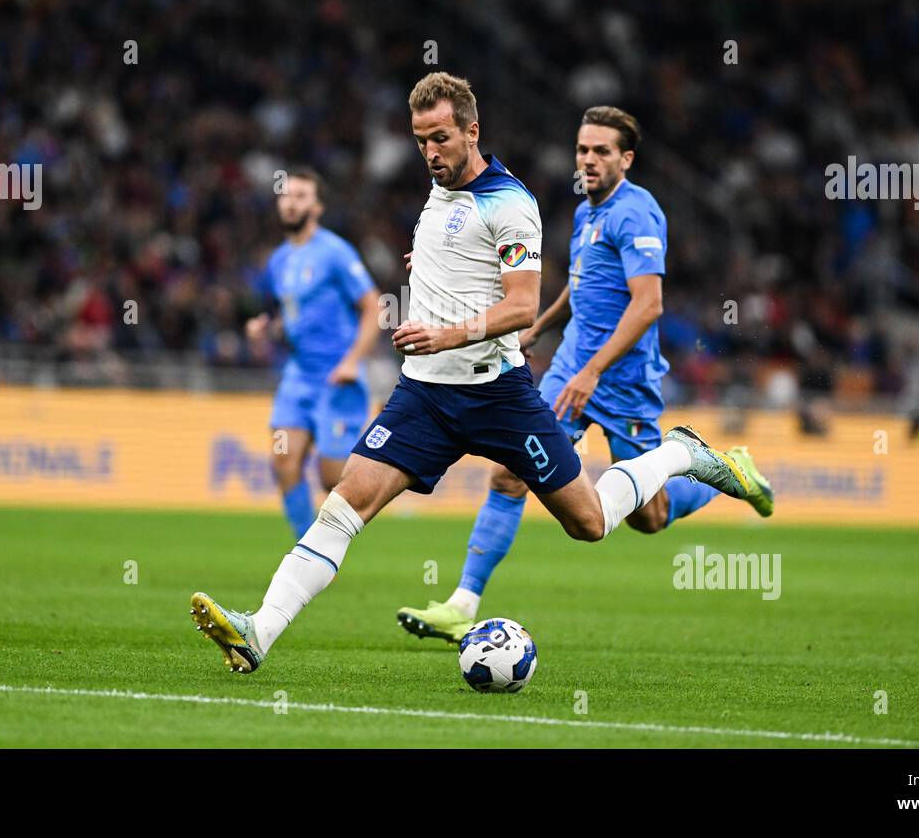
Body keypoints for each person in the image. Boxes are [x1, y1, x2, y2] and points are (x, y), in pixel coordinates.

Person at [192, 73, 770, 673]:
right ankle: (258, 629)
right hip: (424, 395)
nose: (430, 153)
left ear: (472, 131)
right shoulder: (438, 192)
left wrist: (447, 332)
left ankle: (677, 454)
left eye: (440, 138)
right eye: (420, 141)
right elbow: (464, 258)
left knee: (590, 523)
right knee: (344, 504)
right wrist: (433, 270)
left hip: (498, 396)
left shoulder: (513, 204)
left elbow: (522, 304)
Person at [395, 106, 773, 642]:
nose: (588, 160)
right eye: (582, 149)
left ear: (627, 158)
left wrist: (593, 372)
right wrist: (539, 330)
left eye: (600, 151)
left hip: (621, 379)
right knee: (510, 472)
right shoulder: (585, 213)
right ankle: (462, 604)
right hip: (571, 366)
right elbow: (582, 285)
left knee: (649, 516)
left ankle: (722, 470)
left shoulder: (636, 214)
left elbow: (648, 305)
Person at [246, 168, 381, 537]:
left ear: (317, 207)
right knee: (283, 462)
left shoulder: (336, 253)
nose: (291, 203)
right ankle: (308, 549)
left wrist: (353, 361)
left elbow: (374, 307)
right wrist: (266, 329)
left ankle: (388, 473)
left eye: (302, 196)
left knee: (332, 477)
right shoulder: (279, 261)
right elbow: (291, 318)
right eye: (286, 195)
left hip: (338, 379)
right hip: (299, 376)